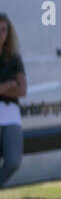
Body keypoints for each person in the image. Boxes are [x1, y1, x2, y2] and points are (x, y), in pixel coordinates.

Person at [0, 13, 26, 188]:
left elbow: (23, 90)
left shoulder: (14, 59)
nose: (1, 34)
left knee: (13, 162)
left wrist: (4, 88)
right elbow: (15, 86)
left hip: (10, 115)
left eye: (4, 30)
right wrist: (9, 84)